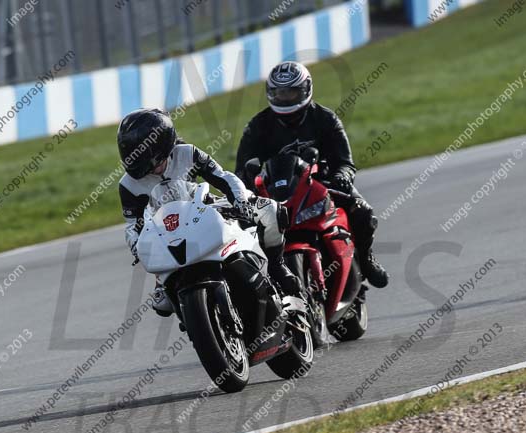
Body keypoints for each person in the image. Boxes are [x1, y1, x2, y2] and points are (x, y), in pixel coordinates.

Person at [117, 108, 301, 316]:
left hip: (202, 209)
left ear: (163, 145)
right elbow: (133, 225)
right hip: (166, 233)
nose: (145, 166)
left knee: (271, 211)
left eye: (148, 157)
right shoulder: (129, 185)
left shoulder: (187, 153)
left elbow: (224, 178)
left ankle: (277, 266)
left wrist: (241, 201)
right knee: (163, 304)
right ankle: (170, 289)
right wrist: (137, 246)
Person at [235, 61, 389, 289]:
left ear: (305, 90)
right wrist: (247, 188)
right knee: (241, 228)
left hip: (323, 182)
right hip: (277, 190)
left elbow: (345, 162)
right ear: (271, 93)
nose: (286, 98)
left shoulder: (326, 119)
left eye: (291, 92)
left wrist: (342, 176)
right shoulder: (258, 126)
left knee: (363, 211)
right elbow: (241, 170)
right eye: (280, 93)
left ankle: (366, 259)